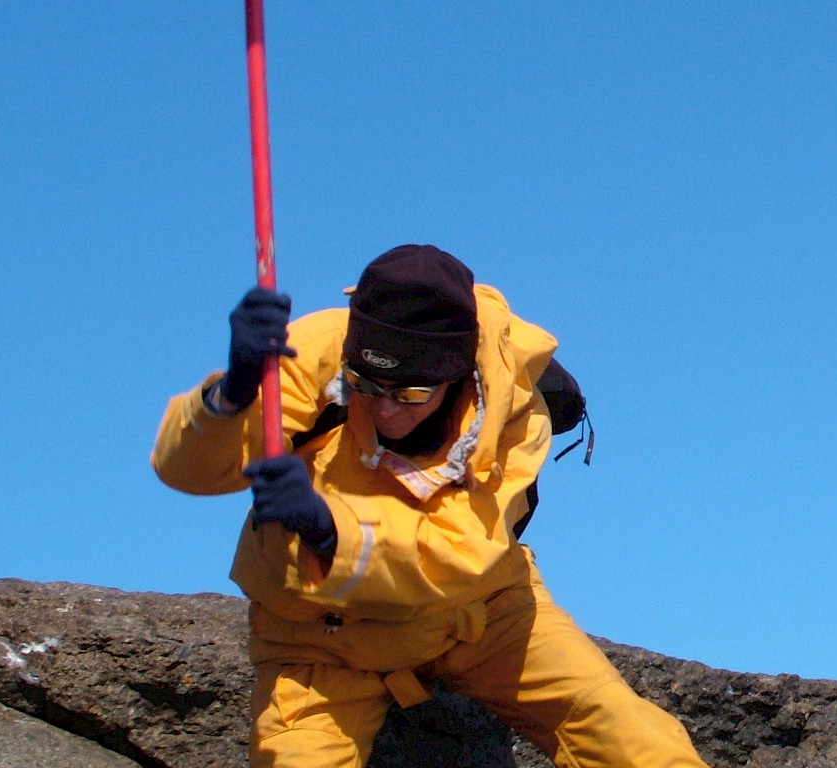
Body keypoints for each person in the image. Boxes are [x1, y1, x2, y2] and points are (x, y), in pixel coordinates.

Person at [153, 245, 708, 768]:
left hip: (481, 615)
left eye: (412, 394)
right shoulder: (312, 352)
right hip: (316, 644)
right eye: (367, 384)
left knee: (627, 736)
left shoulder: (514, 410)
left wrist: (329, 530)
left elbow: (457, 553)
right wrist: (230, 397)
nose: (387, 408)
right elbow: (185, 471)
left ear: (457, 375)